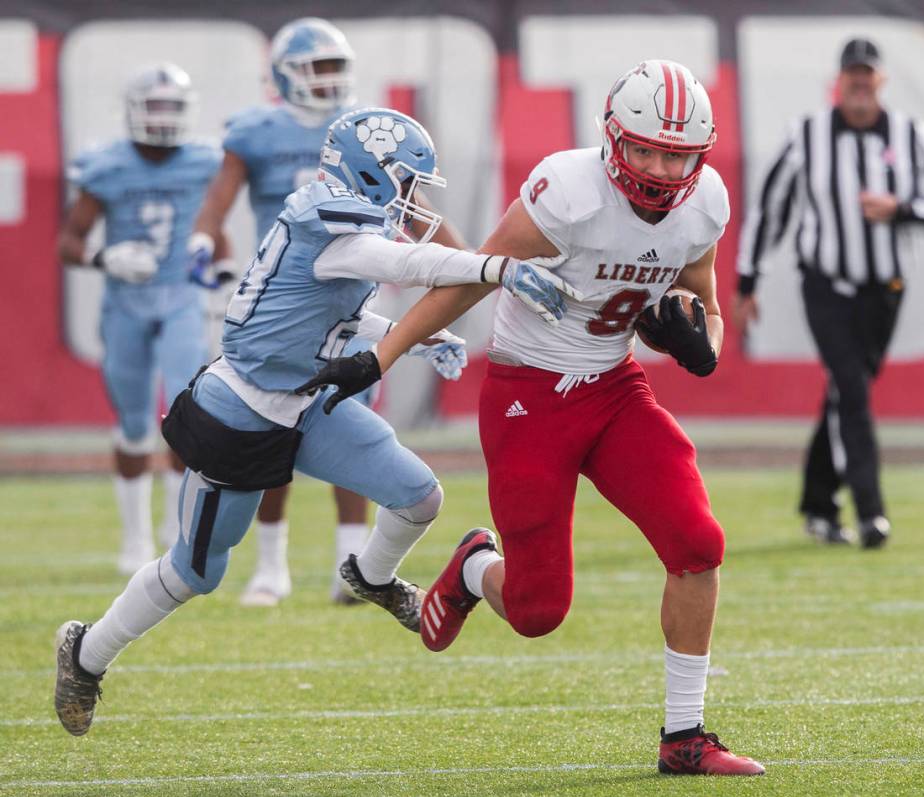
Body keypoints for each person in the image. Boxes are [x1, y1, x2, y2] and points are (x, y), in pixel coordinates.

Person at [299, 61, 765, 777]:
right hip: (528, 395)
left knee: (698, 540)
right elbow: (469, 275)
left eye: (676, 154)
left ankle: (686, 735)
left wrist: (699, 343)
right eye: (645, 149)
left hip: (614, 388)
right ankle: (475, 563)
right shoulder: (568, 193)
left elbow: (702, 299)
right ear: (614, 140)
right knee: (538, 610)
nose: (661, 168)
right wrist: (382, 356)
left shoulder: (704, 202)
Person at [53, 106, 576, 737]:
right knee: (196, 572)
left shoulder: (339, 219)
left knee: (419, 497)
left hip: (309, 397)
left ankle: (370, 577)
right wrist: (498, 266)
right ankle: (86, 654)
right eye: (406, 180)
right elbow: (413, 268)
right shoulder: (332, 226)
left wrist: (413, 340)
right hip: (243, 409)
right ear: (371, 174)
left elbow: (331, 321)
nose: (414, 198)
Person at [189, 17, 454, 607]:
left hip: (348, 299)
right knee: (270, 427)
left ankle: (350, 563)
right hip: (283, 305)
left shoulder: (368, 130)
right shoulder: (256, 131)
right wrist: (205, 243)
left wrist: (472, 264)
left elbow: (413, 209)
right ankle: (271, 564)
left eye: (336, 67)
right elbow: (217, 205)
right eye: (316, 67)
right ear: (282, 75)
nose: (328, 79)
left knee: (354, 427)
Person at [733, 38, 924, 548]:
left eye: (868, 75)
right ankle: (870, 512)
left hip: (885, 291)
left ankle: (818, 507)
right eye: (852, 75)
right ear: (840, 81)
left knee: (844, 394)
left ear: (881, 81)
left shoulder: (910, 135)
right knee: (853, 395)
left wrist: (900, 208)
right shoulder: (808, 135)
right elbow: (770, 211)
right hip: (825, 286)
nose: (860, 83)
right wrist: (747, 282)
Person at [57, 63, 224, 575]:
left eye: (171, 106)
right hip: (126, 303)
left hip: (180, 299)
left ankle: (175, 535)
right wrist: (104, 258)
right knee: (132, 426)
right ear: (132, 110)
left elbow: (216, 231)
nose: (162, 117)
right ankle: (133, 539)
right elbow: (70, 242)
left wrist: (221, 270)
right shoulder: (105, 166)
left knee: (181, 415)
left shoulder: (202, 161)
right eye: (153, 105)